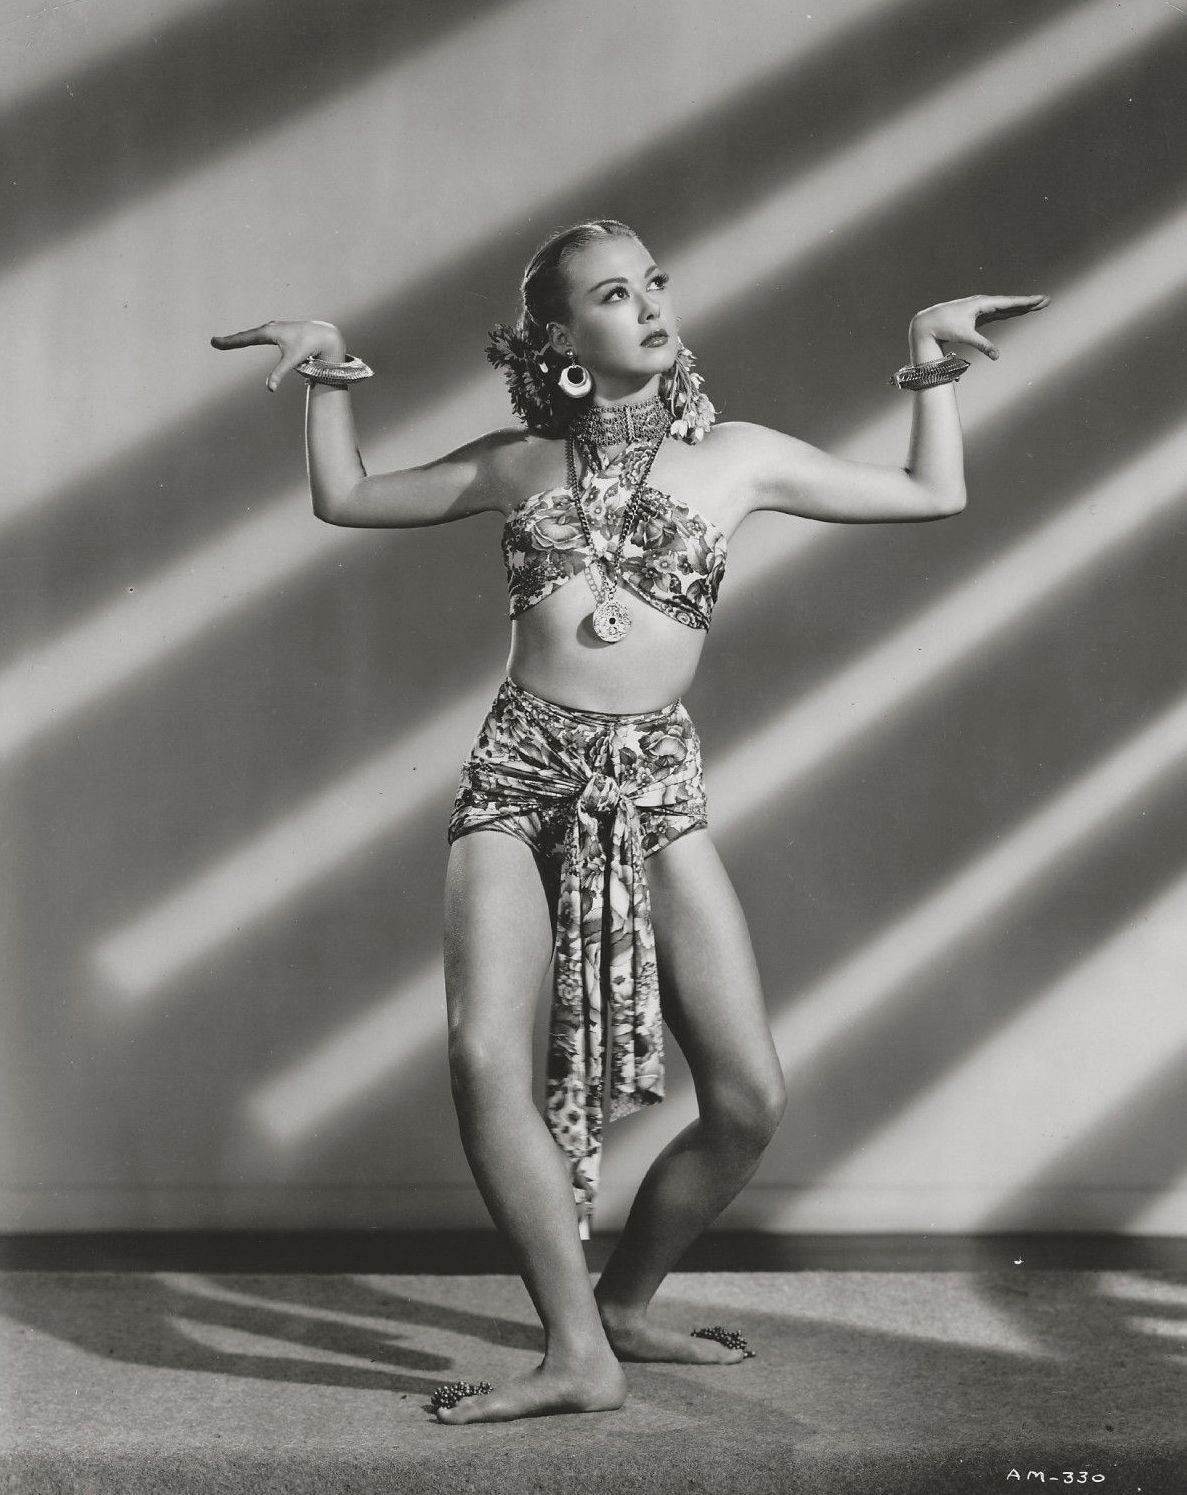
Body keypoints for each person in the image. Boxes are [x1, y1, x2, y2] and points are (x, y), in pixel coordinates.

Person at [212, 218, 1048, 1424]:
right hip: (517, 771)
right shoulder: (516, 466)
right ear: (559, 339)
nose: (650, 305)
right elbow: (345, 498)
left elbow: (932, 491)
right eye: (613, 294)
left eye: (653, 282)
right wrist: (328, 369)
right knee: (482, 1057)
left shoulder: (736, 458)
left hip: (650, 780)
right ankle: (574, 1354)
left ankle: (623, 1306)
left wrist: (926, 358)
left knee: (747, 1098)